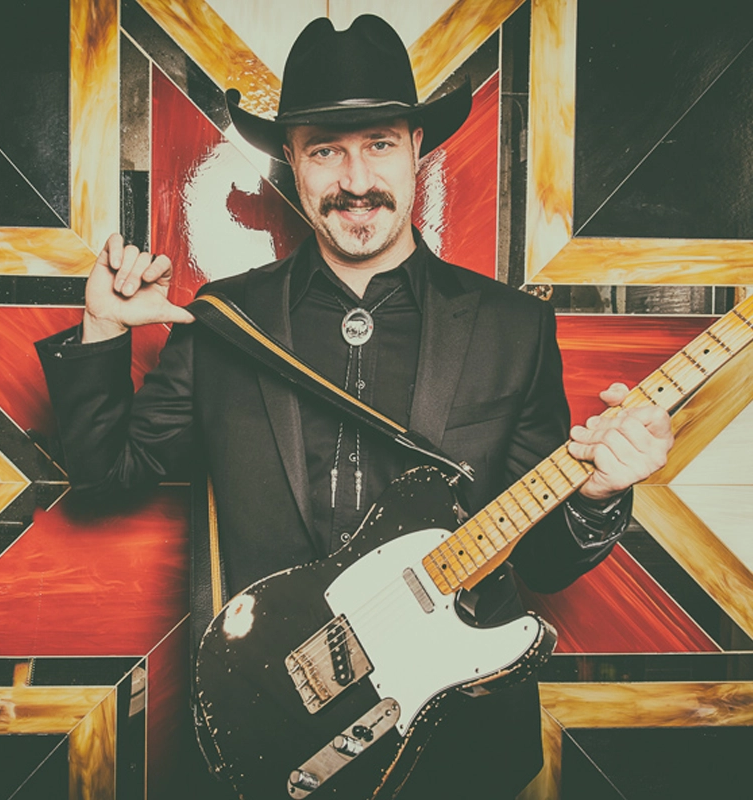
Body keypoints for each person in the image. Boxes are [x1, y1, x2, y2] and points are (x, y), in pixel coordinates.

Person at [36, 15, 673, 800]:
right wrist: (102, 328)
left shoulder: (514, 328)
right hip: (276, 719)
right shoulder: (222, 320)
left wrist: (601, 494)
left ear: (416, 152)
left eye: (378, 144)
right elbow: (104, 478)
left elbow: (539, 560)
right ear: (291, 166)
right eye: (325, 151)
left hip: (458, 738)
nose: (355, 179)